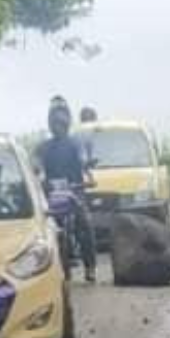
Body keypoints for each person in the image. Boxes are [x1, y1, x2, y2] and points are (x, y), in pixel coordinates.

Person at [36, 99, 98, 283]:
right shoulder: (44, 147)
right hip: (51, 196)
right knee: (44, 229)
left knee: (84, 224)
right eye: (54, 123)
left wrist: (87, 165)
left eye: (61, 123)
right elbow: (36, 162)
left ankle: (90, 267)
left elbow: (82, 158)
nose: (58, 126)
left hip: (74, 193)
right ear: (50, 124)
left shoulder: (76, 144)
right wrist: (36, 172)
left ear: (67, 123)